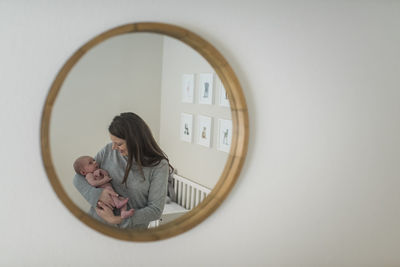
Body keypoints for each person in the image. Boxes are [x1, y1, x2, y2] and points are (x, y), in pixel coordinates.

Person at [73, 112, 173, 229]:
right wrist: (98, 195)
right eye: (113, 142)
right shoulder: (108, 151)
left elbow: (155, 210)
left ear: (135, 140)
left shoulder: (159, 166)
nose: (114, 147)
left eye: (119, 144)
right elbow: (79, 177)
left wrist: (117, 220)